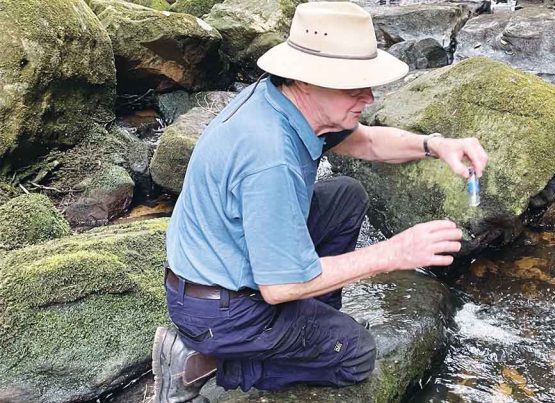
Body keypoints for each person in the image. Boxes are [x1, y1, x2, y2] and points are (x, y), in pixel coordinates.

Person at [151, 2, 489, 402]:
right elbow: (282, 286)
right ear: (307, 80)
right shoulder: (270, 156)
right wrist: (395, 252)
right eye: (353, 85)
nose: (368, 95)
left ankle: (311, 325)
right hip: (224, 313)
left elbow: (366, 142)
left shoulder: (282, 97)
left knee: (346, 196)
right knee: (356, 357)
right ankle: (203, 362)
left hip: (220, 272)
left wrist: (436, 145)